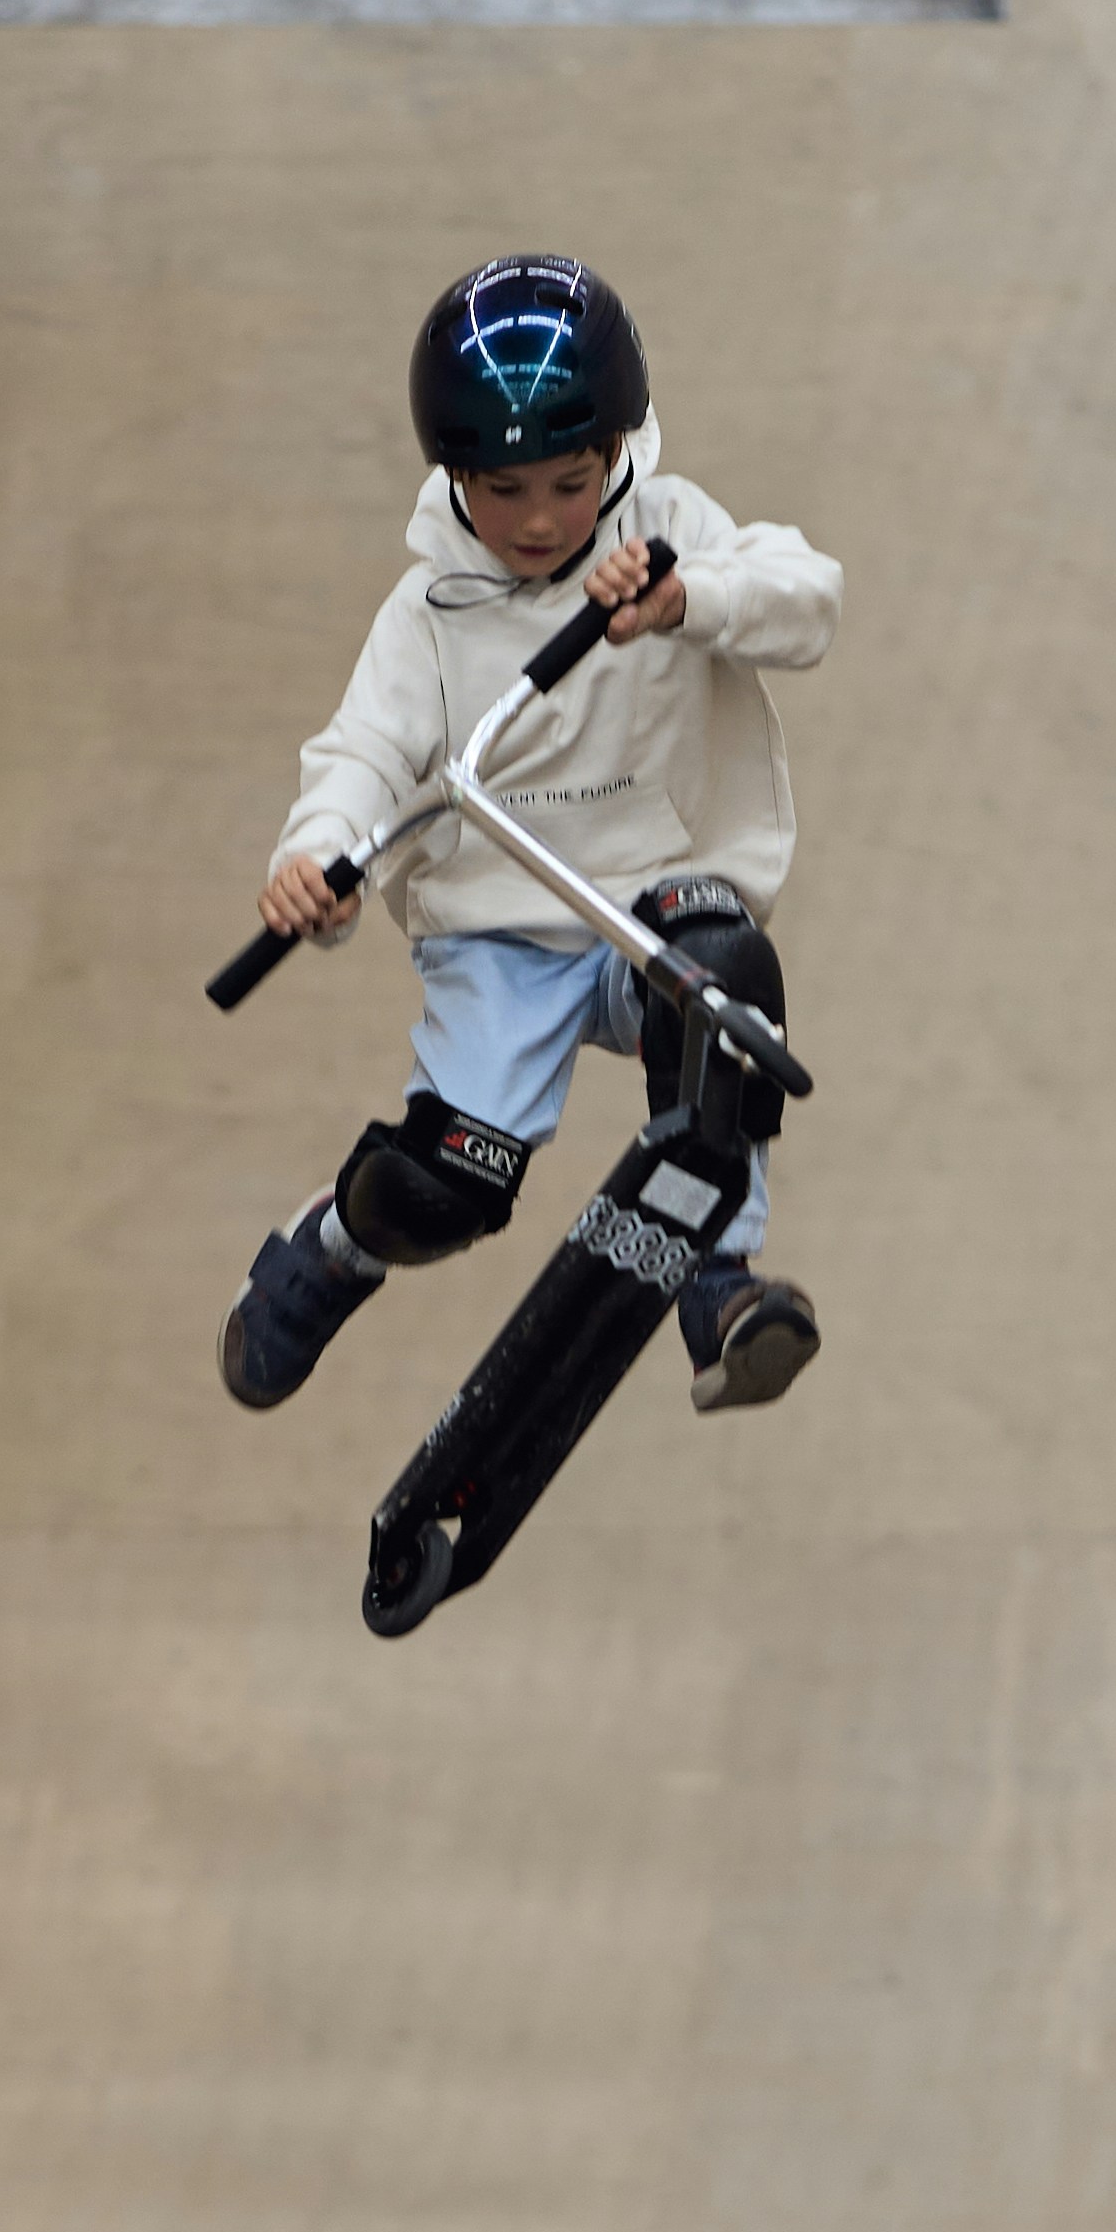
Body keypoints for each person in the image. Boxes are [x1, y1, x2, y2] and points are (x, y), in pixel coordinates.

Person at [218, 253, 842, 1416]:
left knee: (724, 987)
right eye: (504, 491)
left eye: (572, 477)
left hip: (654, 903)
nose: (544, 519)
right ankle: (341, 1239)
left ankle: (718, 1285)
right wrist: (317, 859)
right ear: (452, 474)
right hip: (504, 936)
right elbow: (364, 756)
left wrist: (687, 598)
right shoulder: (427, 616)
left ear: (616, 450)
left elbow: (808, 597)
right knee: (444, 1187)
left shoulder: (663, 531)